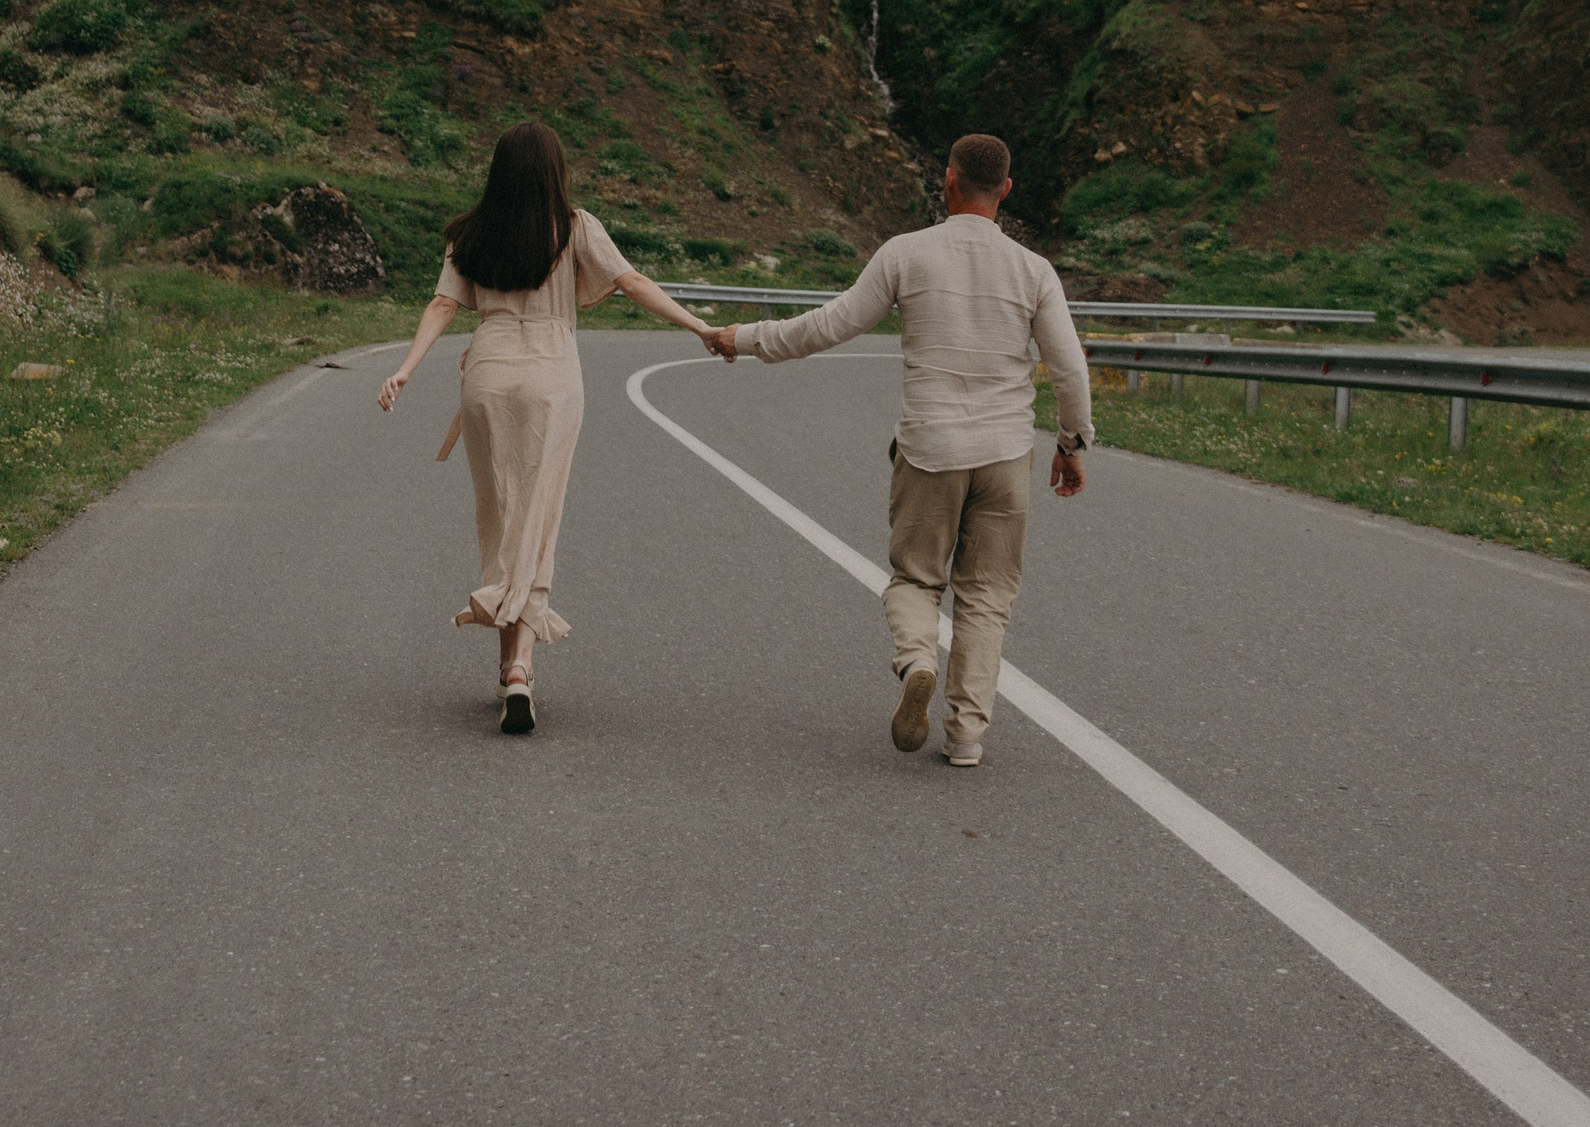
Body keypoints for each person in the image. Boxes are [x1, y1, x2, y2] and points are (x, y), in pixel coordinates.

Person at [721, 132, 1091, 769]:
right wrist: (1070, 442)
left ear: (948, 180)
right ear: (1005, 190)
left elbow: (828, 325)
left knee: (916, 578)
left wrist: (745, 338)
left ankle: (918, 657)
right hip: (1005, 453)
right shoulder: (1034, 271)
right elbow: (1069, 369)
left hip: (928, 449)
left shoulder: (906, 254)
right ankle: (967, 735)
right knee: (986, 594)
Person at [378, 119, 732, 733]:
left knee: (502, 513)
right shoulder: (575, 227)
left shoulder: (470, 232)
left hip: (486, 376)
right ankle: (519, 667)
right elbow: (633, 283)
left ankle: (508, 661)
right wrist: (698, 326)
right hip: (551, 380)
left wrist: (407, 369)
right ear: (554, 170)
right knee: (536, 516)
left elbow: (442, 304)